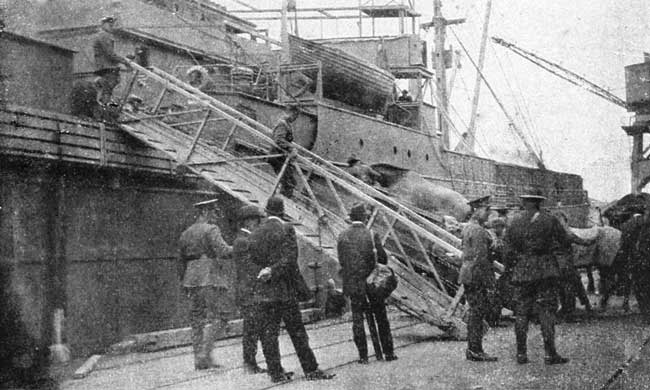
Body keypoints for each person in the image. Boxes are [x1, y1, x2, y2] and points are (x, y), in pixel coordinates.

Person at [249, 197, 334, 383]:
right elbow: (290, 259)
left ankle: (276, 374)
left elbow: (253, 256)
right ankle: (311, 369)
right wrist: (274, 270)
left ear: (267, 212)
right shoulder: (287, 229)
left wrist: (267, 269)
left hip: (265, 292)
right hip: (285, 291)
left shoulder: (256, 232)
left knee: (269, 334)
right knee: (297, 332)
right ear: (282, 212)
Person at [504, 189, 570, 365]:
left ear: (524, 201)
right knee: (547, 312)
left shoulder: (513, 221)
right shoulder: (550, 219)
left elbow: (508, 250)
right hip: (545, 270)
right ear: (539, 202)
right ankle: (550, 354)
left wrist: (513, 268)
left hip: (522, 270)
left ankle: (521, 354)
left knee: (521, 313)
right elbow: (564, 241)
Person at [337, 203, 397, 364]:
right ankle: (388, 353)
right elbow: (382, 259)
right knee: (381, 318)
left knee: (357, 320)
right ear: (364, 217)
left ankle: (363, 356)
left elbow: (342, 261)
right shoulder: (371, 235)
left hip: (354, 285)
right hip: (372, 285)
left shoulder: (342, 235)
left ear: (351, 218)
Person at [178, 199, 234, 370]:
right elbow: (223, 251)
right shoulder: (211, 229)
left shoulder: (185, 233)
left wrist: (184, 282)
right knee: (223, 315)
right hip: (209, 277)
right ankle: (205, 353)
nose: (216, 216)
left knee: (197, 320)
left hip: (190, 279)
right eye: (214, 212)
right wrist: (240, 247)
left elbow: (180, 262)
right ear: (205, 212)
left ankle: (198, 359)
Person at [458, 200, 498, 362]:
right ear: (477, 210)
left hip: (468, 274)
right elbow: (481, 259)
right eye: (486, 209)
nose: (488, 213)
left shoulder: (468, 227)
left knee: (475, 311)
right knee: (477, 312)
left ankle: (473, 348)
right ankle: (475, 349)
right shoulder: (479, 231)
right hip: (476, 275)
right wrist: (489, 282)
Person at [233, 205, 267, 374]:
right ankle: (249, 363)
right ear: (249, 221)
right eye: (257, 220)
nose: (259, 223)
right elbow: (249, 268)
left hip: (251, 290)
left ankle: (251, 362)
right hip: (249, 291)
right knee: (251, 329)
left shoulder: (247, 239)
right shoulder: (243, 241)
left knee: (253, 328)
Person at [554, 211, 594, 321]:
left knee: (561, 288)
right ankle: (570, 313)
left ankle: (564, 309)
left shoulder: (550, 234)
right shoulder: (566, 233)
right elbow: (583, 241)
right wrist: (593, 239)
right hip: (566, 265)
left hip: (554, 265)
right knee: (570, 288)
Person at [93, 16, 130, 105]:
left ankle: (104, 102)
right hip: (107, 66)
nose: (112, 26)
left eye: (112, 25)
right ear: (103, 25)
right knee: (108, 87)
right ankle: (104, 107)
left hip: (105, 66)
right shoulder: (104, 35)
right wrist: (125, 61)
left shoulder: (104, 35)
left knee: (110, 85)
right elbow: (110, 54)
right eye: (110, 25)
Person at [269, 106, 299, 198]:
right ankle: (283, 200)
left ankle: (282, 197)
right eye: (295, 116)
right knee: (288, 181)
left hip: (281, 156)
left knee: (289, 180)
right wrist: (291, 147)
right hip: (277, 155)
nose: (295, 119)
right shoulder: (283, 124)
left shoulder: (286, 124)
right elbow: (278, 139)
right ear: (291, 113)